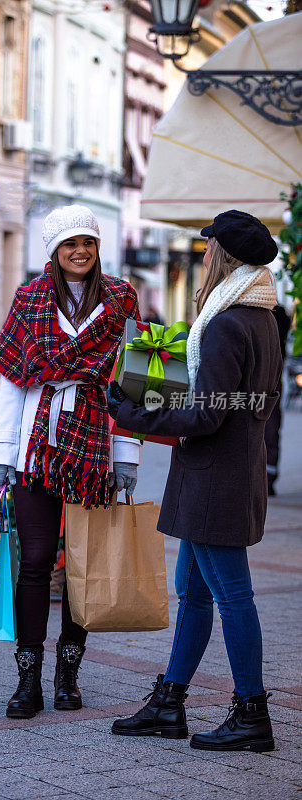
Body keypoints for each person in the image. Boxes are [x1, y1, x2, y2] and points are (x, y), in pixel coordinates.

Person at [107, 209, 281, 752]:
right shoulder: (262, 318)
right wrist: (153, 398)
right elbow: (230, 403)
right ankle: (169, 703)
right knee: (197, 596)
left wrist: (133, 413)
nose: (203, 256)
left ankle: (252, 714)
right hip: (227, 473)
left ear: (223, 256)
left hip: (213, 480)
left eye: (208, 250)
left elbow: (206, 414)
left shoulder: (228, 323)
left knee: (231, 597)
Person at [0, 205, 141, 719]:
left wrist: (128, 455)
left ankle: (68, 673)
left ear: (98, 250)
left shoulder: (121, 301)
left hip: (95, 445)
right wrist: (1, 453)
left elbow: (133, 385)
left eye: (89, 243)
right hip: (35, 447)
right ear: (53, 251)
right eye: (70, 243)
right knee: (33, 563)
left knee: (81, 564)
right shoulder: (30, 298)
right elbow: (11, 379)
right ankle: (26, 678)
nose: (80, 252)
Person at [265, 304, 291, 495]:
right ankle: (267, 478)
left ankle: (269, 478)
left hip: (271, 376)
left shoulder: (277, 313)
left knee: (271, 429)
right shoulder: (277, 312)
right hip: (271, 375)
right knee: (271, 429)